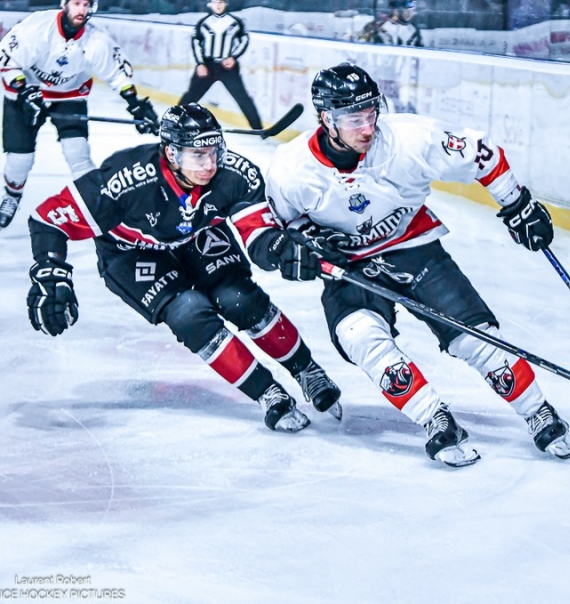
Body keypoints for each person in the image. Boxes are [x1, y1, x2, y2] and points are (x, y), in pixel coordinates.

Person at [255, 63, 570, 467]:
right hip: (350, 265)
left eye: (372, 113)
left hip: (415, 246)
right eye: (355, 119)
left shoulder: (411, 138)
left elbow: (483, 153)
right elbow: (281, 228)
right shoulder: (291, 168)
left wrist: (517, 203)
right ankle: (436, 419)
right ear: (326, 119)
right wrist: (303, 246)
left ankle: (538, 412)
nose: (368, 127)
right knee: (361, 337)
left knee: (475, 339)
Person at [26, 103, 341, 432]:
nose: (210, 164)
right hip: (131, 250)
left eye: (214, 151)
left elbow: (259, 238)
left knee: (239, 298)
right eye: (198, 155)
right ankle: (267, 393)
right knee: (188, 313)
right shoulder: (126, 180)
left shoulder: (234, 174)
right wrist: (51, 273)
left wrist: (281, 248)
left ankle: (307, 370)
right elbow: (47, 219)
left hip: (197, 235)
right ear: (172, 154)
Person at [0, 0, 160, 229]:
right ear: (64, 4)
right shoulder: (37, 27)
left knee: (78, 152)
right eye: (77, 4)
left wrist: (135, 104)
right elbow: (7, 60)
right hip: (26, 95)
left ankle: (94, 201)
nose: (82, 10)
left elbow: (117, 75)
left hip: (68, 95)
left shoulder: (96, 40)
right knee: (19, 159)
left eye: (87, 5)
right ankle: (12, 196)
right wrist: (24, 90)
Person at [178, 0, 263, 131]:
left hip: (227, 68)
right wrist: (200, 63)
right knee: (190, 97)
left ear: (226, 4)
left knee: (243, 98)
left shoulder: (235, 22)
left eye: (221, 2)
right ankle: (174, 122)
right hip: (208, 65)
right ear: (210, 4)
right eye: (215, 2)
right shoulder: (203, 23)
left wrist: (233, 57)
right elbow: (195, 43)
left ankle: (258, 129)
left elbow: (244, 39)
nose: (218, 5)